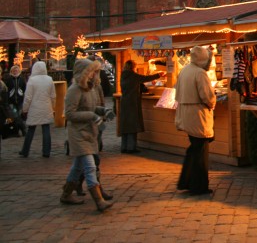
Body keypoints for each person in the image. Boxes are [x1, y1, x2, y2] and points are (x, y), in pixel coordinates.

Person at [61, 58, 114, 212]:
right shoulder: (74, 90)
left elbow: (90, 106)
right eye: (90, 72)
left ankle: (66, 194)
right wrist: (92, 115)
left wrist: (103, 111)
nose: (93, 75)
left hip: (89, 132)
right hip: (78, 133)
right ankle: (99, 200)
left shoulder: (89, 88)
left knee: (77, 167)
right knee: (90, 166)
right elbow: (70, 114)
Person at [175, 46, 216, 196]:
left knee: (194, 149)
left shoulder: (185, 70)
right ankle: (199, 185)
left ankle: (187, 181)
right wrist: (212, 103)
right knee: (200, 152)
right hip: (198, 115)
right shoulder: (200, 73)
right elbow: (207, 96)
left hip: (186, 114)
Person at [119, 60, 164, 153]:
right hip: (132, 102)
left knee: (125, 126)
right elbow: (145, 78)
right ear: (132, 67)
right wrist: (158, 75)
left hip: (124, 102)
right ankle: (131, 147)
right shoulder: (133, 75)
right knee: (132, 125)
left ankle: (124, 147)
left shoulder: (123, 75)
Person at [19, 61, 56, 158]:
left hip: (34, 107)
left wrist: (25, 109)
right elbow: (53, 96)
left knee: (31, 129)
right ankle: (46, 151)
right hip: (46, 107)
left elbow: (28, 97)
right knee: (46, 129)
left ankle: (25, 150)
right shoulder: (49, 79)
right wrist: (53, 107)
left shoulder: (32, 80)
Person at [6, 66, 28, 136]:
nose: (15, 72)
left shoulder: (22, 79)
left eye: (16, 70)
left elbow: (25, 89)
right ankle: (23, 129)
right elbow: (6, 91)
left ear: (19, 71)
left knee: (19, 116)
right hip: (11, 102)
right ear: (11, 71)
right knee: (15, 116)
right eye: (14, 70)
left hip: (20, 101)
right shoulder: (9, 80)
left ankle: (17, 131)